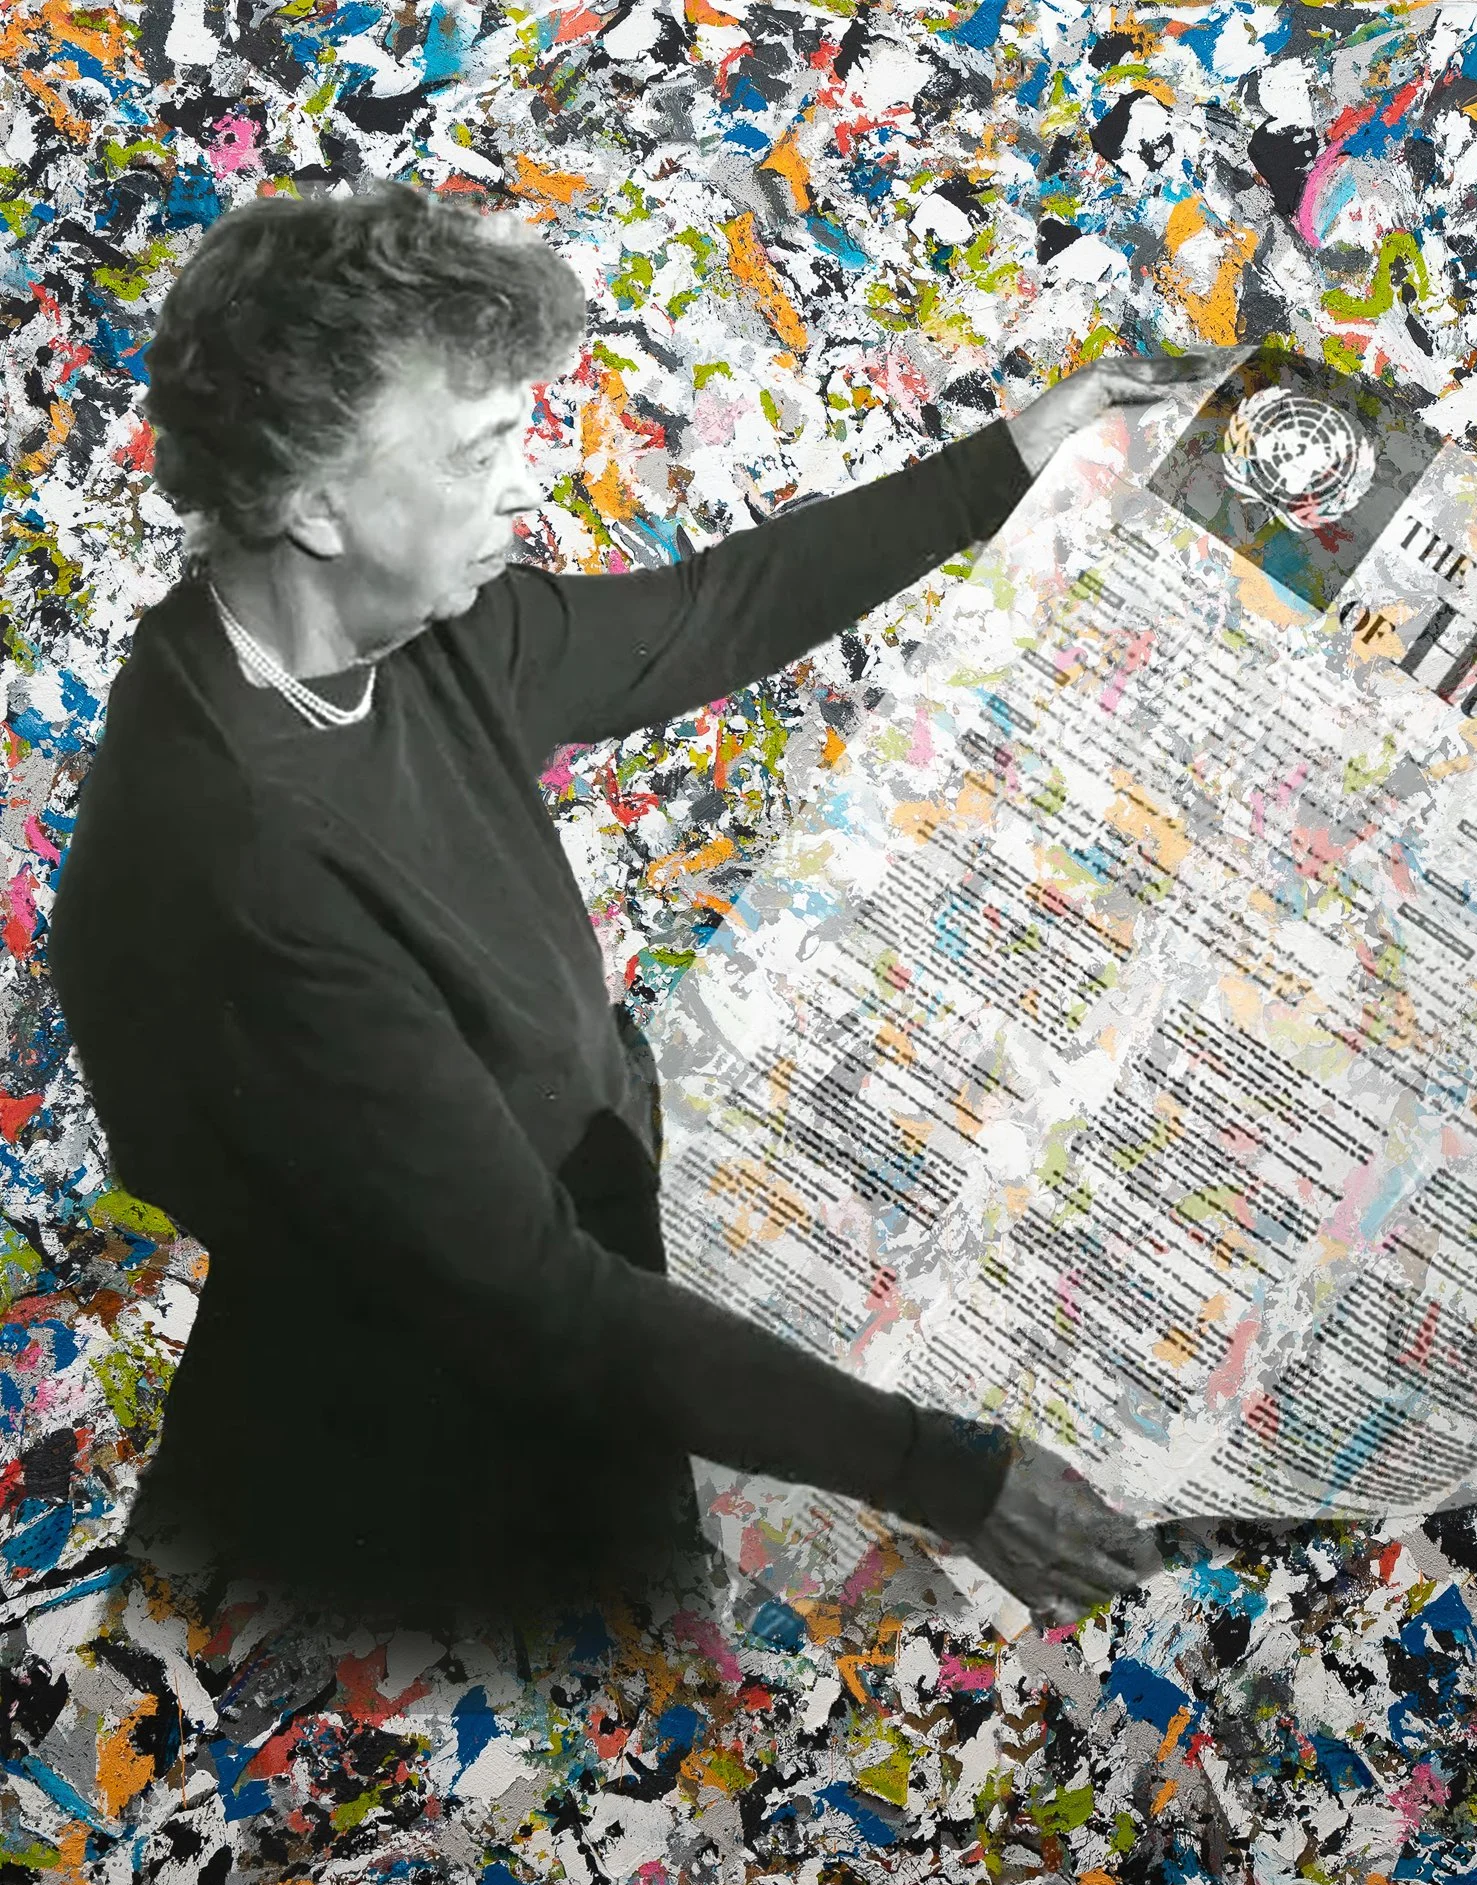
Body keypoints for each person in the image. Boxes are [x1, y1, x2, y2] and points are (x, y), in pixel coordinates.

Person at [49, 183, 1211, 1630]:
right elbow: (535, 1298)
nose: (519, 490)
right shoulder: (240, 858)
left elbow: (709, 614)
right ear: (311, 500)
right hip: (393, 1534)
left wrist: (1020, 454)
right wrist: (954, 1477)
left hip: (570, 1399)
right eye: (476, 453)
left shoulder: (415, 634)